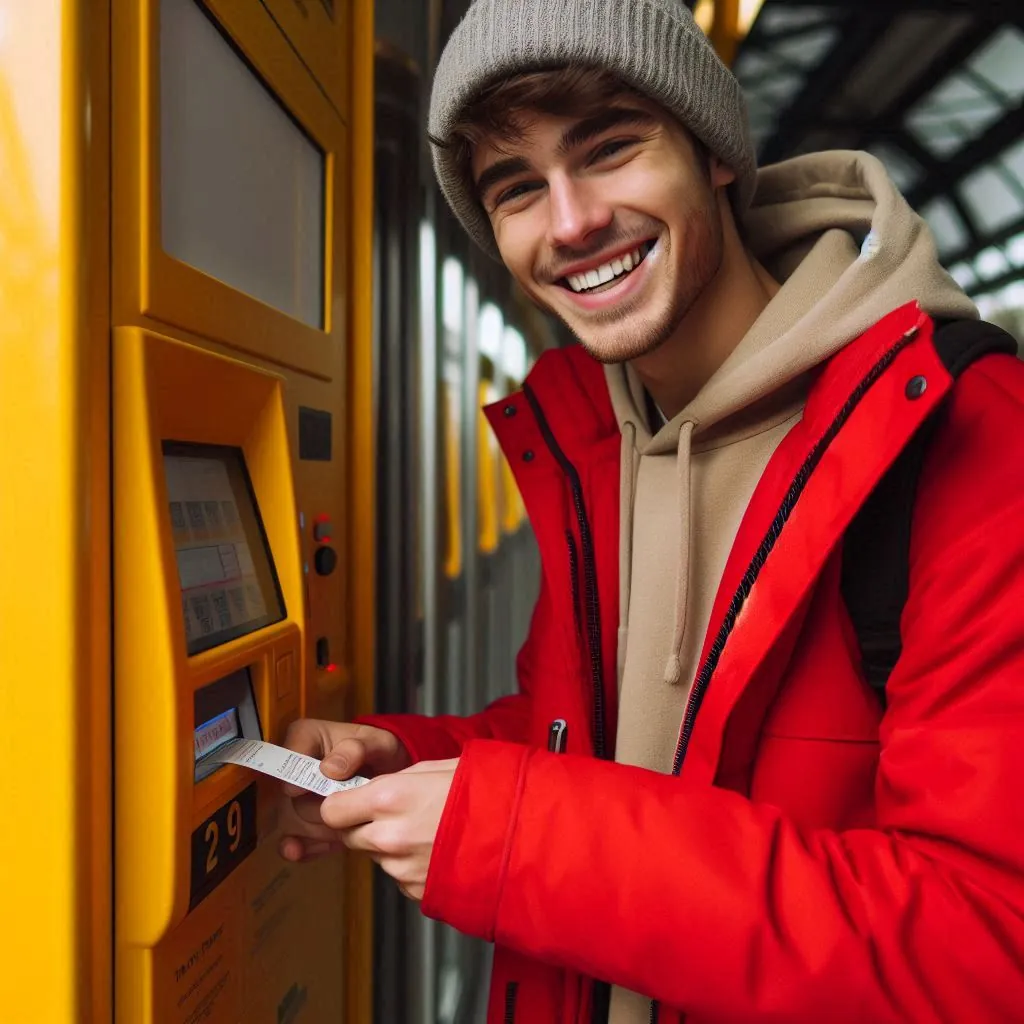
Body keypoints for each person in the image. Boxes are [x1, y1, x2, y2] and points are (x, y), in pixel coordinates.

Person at [280, 1, 1024, 1021]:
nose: (572, 221)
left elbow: (985, 944)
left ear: (713, 153)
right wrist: (415, 760)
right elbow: (609, 742)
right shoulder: (593, 438)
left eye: (610, 148)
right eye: (516, 189)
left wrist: (512, 836)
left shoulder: (960, 430)